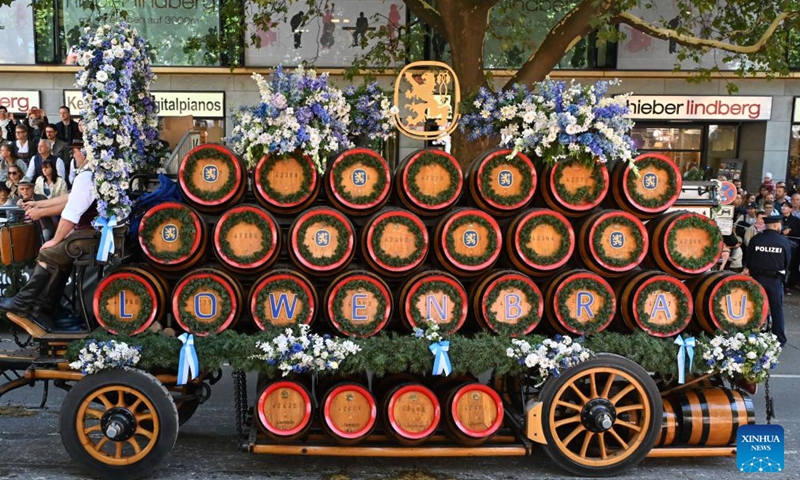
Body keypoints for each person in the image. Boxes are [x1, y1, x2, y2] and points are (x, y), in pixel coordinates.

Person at [0, 140, 96, 330]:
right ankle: (45, 308)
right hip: (89, 232)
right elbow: (68, 199)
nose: (73, 156)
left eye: (75, 152)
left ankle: (27, 303)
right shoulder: (89, 175)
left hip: (89, 234)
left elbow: (71, 212)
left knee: (48, 252)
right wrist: (39, 205)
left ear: (84, 154)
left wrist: (55, 239)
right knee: (57, 256)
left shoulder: (87, 176)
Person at [745, 216, 791, 346]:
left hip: (757, 279)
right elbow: (787, 262)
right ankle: (779, 339)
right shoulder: (783, 241)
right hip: (775, 280)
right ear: (777, 225)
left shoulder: (756, 240)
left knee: (755, 308)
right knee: (776, 310)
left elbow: (748, 260)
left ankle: (752, 335)